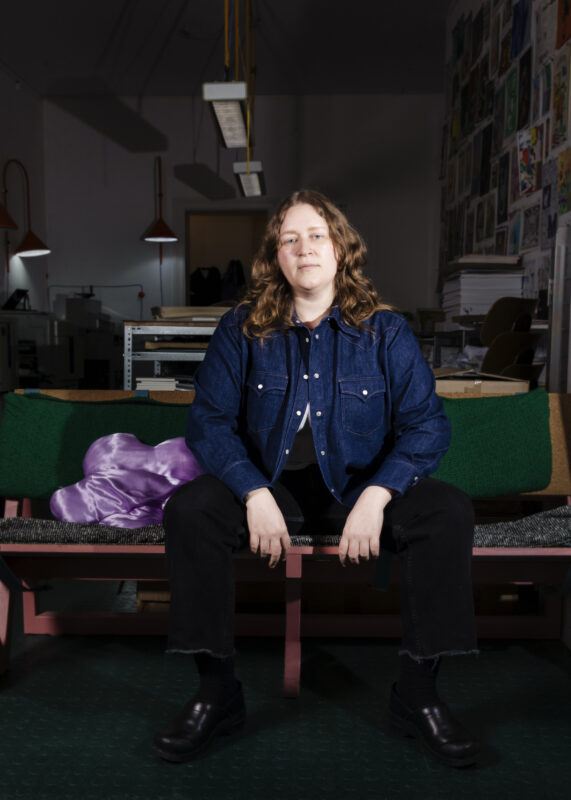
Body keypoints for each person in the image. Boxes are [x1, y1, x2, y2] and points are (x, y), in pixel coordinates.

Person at [154, 189, 481, 768]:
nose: (305, 248)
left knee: (447, 510)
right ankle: (215, 690)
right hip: (269, 487)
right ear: (275, 257)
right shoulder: (242, 329)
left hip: (359, 490)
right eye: (290, 239)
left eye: (317, 235)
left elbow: (427, 427)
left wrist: (379, 495)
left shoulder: (386, 332)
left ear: (340, 248)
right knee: (191, 509)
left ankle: (420, 695)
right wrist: (252, 491)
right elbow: (208, 422)